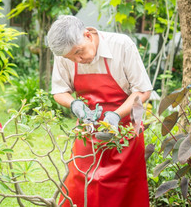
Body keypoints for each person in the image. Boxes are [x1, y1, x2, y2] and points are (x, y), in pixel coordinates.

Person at [47, 15, 153, 207]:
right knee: (80, 185)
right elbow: (59, 90)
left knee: (125, 192)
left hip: (125, 133)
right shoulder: (65, 52)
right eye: (71, 58)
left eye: (79, 53)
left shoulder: (122, 46)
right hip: (88, 133)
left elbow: (143, 90)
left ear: (87, 35)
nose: (78, 60)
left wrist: (115, 116)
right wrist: (75, 105)